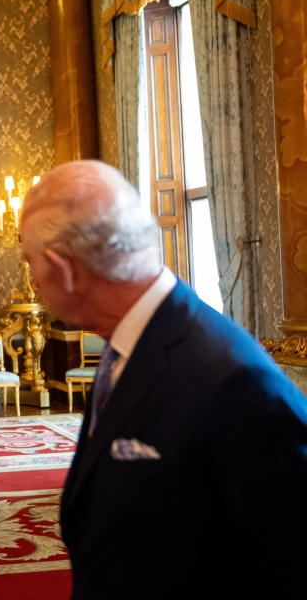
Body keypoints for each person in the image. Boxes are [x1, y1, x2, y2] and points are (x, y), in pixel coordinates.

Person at [19, 159, 307, 599]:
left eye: (30, 263)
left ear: (63, 269)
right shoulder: (126, 346)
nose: (35, 282)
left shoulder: (234, 381)